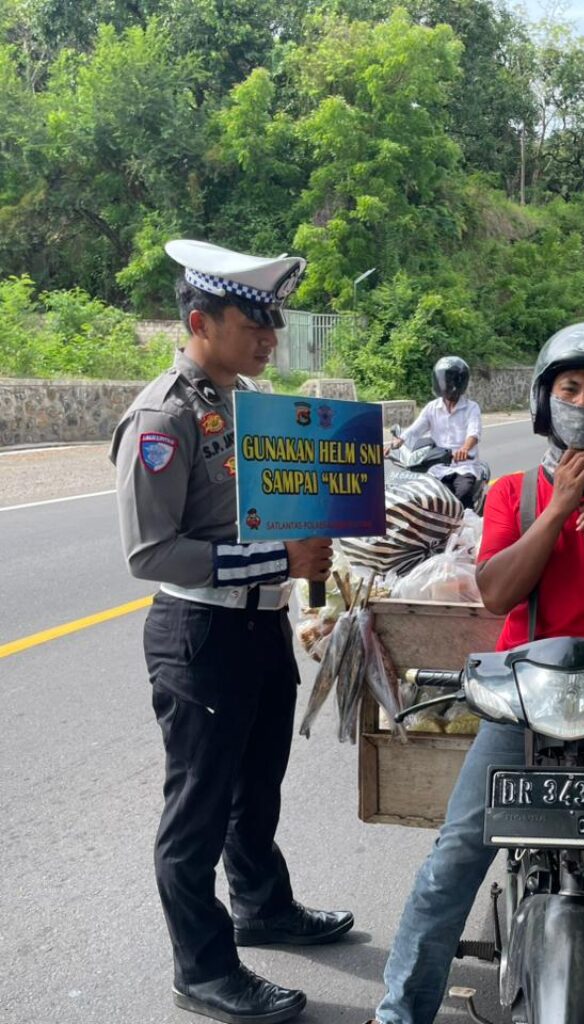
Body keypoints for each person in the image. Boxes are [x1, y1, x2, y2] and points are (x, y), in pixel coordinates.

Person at [374, 323, 584, 1024]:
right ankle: (397, 1012)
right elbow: (497, 592)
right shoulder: (511, 494)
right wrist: (559, 507)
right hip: (521, 705)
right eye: (570, 389)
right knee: (452, 864)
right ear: (546, 399)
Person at [110, 240, 355, 1024]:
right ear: (199, 320)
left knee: (258, 787)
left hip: (258, 630)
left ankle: (262, 905)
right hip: (199, 634)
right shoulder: (163, 416)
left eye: (271, 322)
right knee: (199, 807)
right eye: (252, 321)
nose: (269, 336)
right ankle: (205, 968)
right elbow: (152, 552)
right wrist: (277, 555)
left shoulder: (246, 404)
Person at [389, 355, 484, 508]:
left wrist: (464, 449)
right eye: (444, 379)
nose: (446, 384)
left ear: (459, 382)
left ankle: (466, 526)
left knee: (462, 497)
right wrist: (399, 441)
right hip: (436, 466)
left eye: (450, 380)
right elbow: (415, 429)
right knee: (426, 499)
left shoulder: (471, 408)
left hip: (463, 465)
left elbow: (474, 433)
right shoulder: (432, 408)